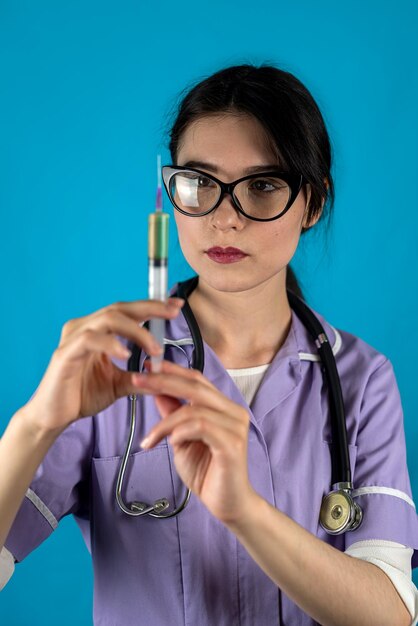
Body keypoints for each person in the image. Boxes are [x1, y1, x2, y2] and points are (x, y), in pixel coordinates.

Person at [1, 64, 417, 626]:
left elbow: (388, 614)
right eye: (199, 184)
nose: (224, 218)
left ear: (313, 203)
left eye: (263, 186)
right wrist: (33, 425)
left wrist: (244, 511)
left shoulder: (360, 380)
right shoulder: (109, 370)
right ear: (170, 194)